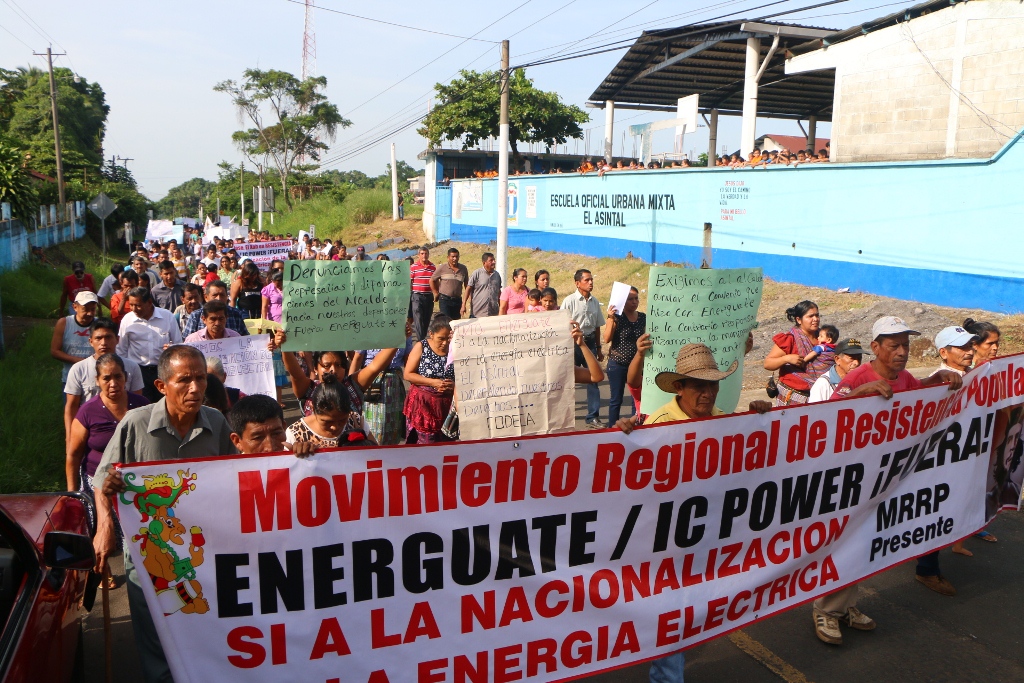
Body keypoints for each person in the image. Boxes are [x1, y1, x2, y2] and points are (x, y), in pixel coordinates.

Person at [614, 343, 771, 682]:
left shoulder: (724, 420)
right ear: (679, 388)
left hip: (709, 536)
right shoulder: (657, 426)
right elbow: (631, 483)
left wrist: (758, 419)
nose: (708, 393)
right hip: (668, 541)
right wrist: (622, 440)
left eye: (713, 385)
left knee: (690, 610)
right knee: (672, 613)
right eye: (700, 386)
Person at [92, 346, 236, 683]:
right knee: (156, 632)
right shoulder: (135, 424)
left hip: (204, 550)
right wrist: (104, 524)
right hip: (148, 552)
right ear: (161, 386)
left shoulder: (216, 422)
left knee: (203, 623)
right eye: (184, 380)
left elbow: (240, 473)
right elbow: (102, 480)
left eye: (201, 379)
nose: (195, 388)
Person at [830, 317, 963, 598]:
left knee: (871, 543)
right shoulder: (858, 377)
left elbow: (915, 392)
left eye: (906, 345)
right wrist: (860, 393)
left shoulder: (904, 377)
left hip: (893, 474)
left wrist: (935, 380)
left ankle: (847, 606)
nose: (902, 352)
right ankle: (831, 608)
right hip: (861, 477)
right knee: (849, 541)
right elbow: (825, 418)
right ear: (875, 347)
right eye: (894, 346)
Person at [276, 332, 397, 440]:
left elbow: (375, 366)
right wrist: (284, 347)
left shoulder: (353, 385)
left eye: (339, 365)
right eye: (326, 366)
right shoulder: (308, 389)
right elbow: (295, 373)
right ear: (315, 368)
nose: (333, 370)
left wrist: (397, 339)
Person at [64, 318, 145, 436]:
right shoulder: (79, 369)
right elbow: (71, 407)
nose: (103, 343)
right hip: (90, 431)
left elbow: (138, 403)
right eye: (98, 338)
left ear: (117, 339)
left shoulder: (132, 367)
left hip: (126, 429)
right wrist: (70, 438)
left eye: (108, 337)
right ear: (91, 341)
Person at [117, 287, 184, 402]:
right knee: (143, 404)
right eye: (131, 305)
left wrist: (171, 349)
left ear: (149, 302)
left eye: (138, 305)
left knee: (165, 403)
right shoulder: (127, 320)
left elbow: (178, 345)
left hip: (162, 370)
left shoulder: (167, 316)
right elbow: (121, 349)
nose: (134, 309)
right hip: (138, 371)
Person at [763, 300, 833, 406]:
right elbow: (767, 363)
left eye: (817, 315)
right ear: (799, 320)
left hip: (821, 395)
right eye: (810, 316)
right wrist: (786, 358)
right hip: (793, 398)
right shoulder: (789, 339)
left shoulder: (825, 337)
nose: (815, 319)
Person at [562, 269, 605, 427]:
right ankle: (565, 416)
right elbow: (562, 324)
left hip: (590, 343)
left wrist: (599, 348)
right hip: (572, 344)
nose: (590, 282)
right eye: (587, 280)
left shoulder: (595, 302)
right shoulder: (569, 301)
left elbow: (597, 326)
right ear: (577, 283)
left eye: (591, 279)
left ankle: (593, 416)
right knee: (568, 380)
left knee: (593, 379)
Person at [404, 315, 455, 443]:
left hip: (446, 408)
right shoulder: (422, 346)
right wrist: (433, 382)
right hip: (423, 406)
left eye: (448, 339)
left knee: (446, 445)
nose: (445, 343)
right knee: (426, 444)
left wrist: (453, 385)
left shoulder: (456, 349)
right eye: (441, 339)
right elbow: (408, 374)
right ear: (431, 334)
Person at [286, 374, 370, 448]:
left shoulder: (356, 422)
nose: (335, 427)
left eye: (342, 420)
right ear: (313, 408)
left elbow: (375, 453)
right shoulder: (296, 433)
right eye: (327, 422)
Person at [604, 286, 646, 426]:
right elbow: (606, 338)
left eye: (636, 298)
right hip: (618, 364)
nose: (634, 302)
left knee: (637, 399)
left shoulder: (643, 318)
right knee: (616, 400)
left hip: (637, 366)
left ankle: (636, 427)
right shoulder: (617, 317)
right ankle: (612, 430)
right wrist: (611, 318)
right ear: (623, 301)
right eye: (630, 299)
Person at [227, 394, 317, 457]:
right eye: (258, 438)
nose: (270, 448)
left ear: (284, 427)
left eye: (276, 433)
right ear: (237, 441)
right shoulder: (229, 476)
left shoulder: (297, 461)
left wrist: (312, 460)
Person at [51, 291, 98, 389]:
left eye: (93, 309)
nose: (89, 313)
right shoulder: (64, 323)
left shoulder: (100, 324)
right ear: (75, 307)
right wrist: (81, 362)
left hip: (95, 380)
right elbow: (55, 351)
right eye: (85, 309)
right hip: (70, 379)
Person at [808, 338, 869, 403]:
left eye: (859, 358)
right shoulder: (823, 384)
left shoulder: (863, 380)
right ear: (837, 359)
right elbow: (815, 409)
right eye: (852, 358)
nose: (856, 363)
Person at [182, 280, 251, 337]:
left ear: (227, 297)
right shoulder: (196, 315)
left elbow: (245, 339)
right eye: (214, 295)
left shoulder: (236, 314)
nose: (219, 298)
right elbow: (187, 342)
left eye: (222, 295)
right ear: (206, 297)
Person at [430, 247, 469, 320]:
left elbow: (467, 286)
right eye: (453, 257)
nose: (455, 259)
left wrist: (465, 302)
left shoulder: (463, 269)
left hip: (457, 300)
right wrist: (435, 293)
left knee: (456, 322)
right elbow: (432, 280)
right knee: (446, 321)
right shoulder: (442, 268)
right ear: (448, 257)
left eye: (456, 256)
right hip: (445, 300)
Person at [464, 252, 502, 318]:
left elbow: (499, 292)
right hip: (477, 314)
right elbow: (468, 288)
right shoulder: (477, 273)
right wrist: (463, 304)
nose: (494, 262)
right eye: (491, 260)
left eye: (494, 260)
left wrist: (501, 307)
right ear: (484, 263)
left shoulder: (497, 275)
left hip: (493, 314)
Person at [410, 247, 436, 341]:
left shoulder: (433, 267)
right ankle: (420, 340)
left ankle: (422, 338)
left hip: (429, 296)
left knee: (426, 319)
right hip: (417, 296)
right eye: (422, 253)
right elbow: (410, 281)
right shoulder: (413, 267)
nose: (424, 255)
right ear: (418, 255)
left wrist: (436, 293)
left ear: (428, 254)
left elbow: (435, 281)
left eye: (426, 253)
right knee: (418, 317)